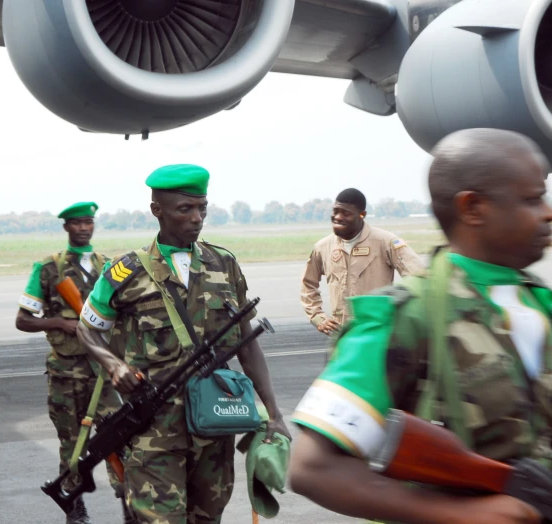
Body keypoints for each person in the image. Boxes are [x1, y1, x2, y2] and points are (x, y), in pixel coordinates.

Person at [289, 128, 552, 523]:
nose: (547, 210)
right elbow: (312, 468)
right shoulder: (405, 316)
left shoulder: (539, 301)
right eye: (532, 199)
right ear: (473, 208)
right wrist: (468, 515)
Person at [76, 164, 291, 524]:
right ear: (156, 210)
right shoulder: (125, 271)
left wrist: (274, 412)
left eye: (202, 208)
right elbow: (87, 328)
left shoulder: (224, 264)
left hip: (215, 424)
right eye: (185, 209)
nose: (197, 218)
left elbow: (247, 344)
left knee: (208, 519)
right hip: (154, 432)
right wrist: (114, 366)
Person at [15, 202, 131, 524]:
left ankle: (129, 505)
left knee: (117, 439)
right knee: (72, 443)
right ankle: (73, 507)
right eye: (77, 223)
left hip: (104, 373)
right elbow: (23, 321)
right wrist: (59, 323)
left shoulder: (111, 267)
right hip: (66, 372)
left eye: (88, 222)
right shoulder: (49, 269)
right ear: (67, 227)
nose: (83, 228)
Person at [300, 188, 424, 338]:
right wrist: (318, 317)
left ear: (362, 215)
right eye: (335, 211)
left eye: (346, 213)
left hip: (378, 335)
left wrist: (404, 316)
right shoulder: (323, 247)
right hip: (342, 336)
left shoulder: (386, 242)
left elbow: (419, 279)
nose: (338, 217)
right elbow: (308, 284)